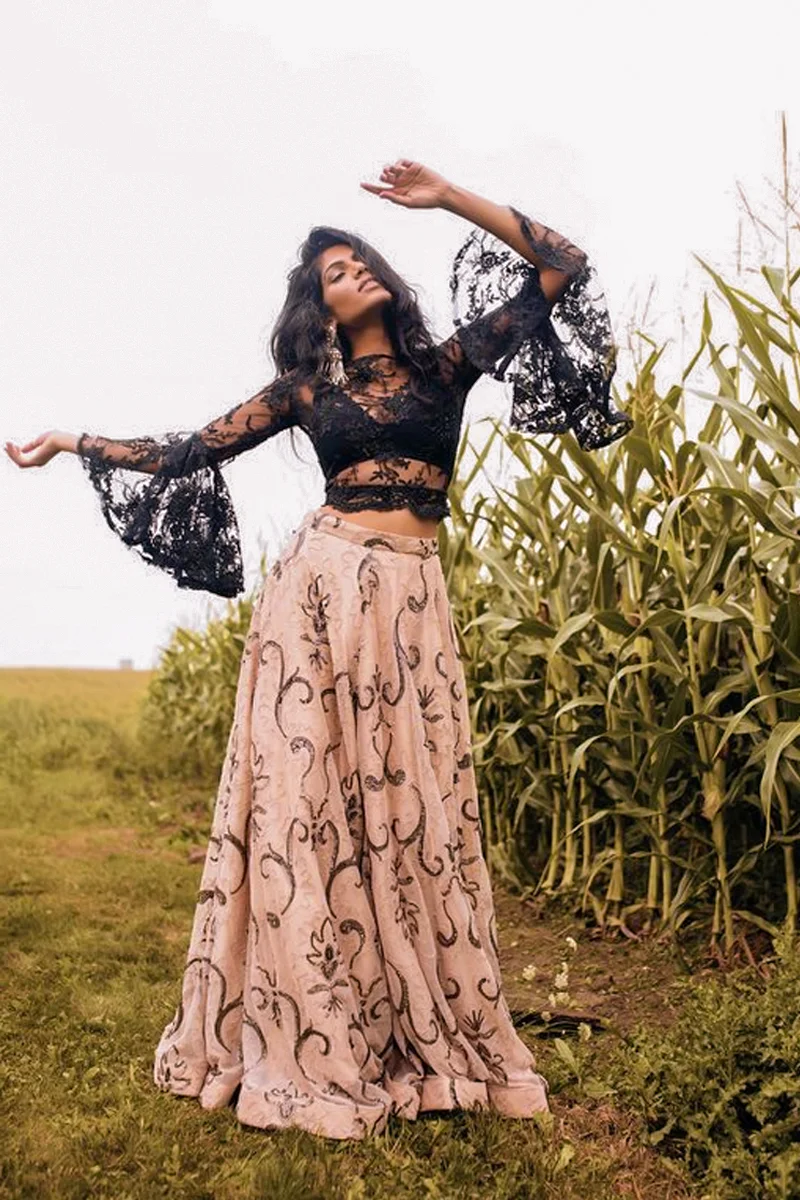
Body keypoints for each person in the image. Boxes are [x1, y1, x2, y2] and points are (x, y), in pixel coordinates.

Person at [5, 159, 631, 1140]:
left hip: (410, 607)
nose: (353, 272)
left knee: (411, 807)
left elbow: (563, 263)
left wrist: (447, 198)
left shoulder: (447, 363)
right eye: (334, 271)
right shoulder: (306, 389)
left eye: (359, 259)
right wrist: (71, 440)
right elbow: (187, 451)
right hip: (318, 591)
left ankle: (416, 1015)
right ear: (320, 307)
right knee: (312, 808)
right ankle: (319, 1023)